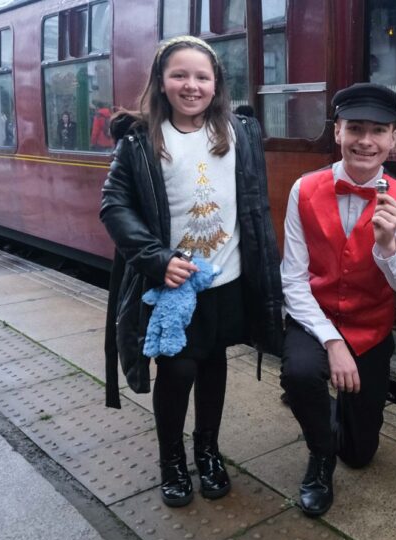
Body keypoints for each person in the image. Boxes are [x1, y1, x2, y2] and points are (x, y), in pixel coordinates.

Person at [99, 35, 283, 508]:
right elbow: (114, 207)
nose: (191, 85)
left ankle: (207, 450)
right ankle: (171, 458)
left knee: (214, 364)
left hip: (226, 279)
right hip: (173, 287)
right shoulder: (140, 140)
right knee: (178, 370)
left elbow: (255, 204)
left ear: (216, 82)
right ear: (161, 82)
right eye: (179, 75)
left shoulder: (238, 131)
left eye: (202, 76)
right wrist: (158, 261)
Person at [279, 83, 396, 517]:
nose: (365, 140)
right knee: (301, 372)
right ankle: (319, 458)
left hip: (371, 325)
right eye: (355, 128)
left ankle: (337, 420)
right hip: (314, 315)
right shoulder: (303, 188)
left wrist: (388, 245)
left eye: (378, 130)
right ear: (336, 132)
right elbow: (293, 280)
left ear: (393, 139)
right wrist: (331, 342)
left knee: (360, 454)